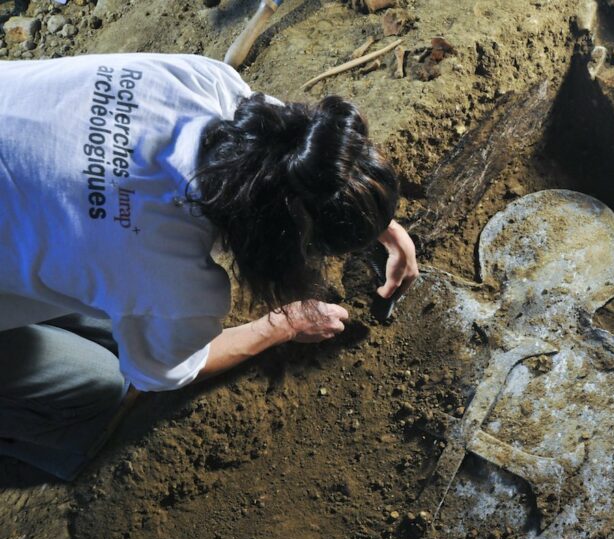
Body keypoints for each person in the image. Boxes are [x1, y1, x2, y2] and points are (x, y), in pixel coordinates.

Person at [0, 52, 418, 481]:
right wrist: (282, 325)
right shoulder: (172, 280)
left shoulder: (206, 83)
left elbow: (295, 156)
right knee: (99, 386)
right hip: (78, 243)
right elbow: (164, 375)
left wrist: (370, 213)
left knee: (106, 300)